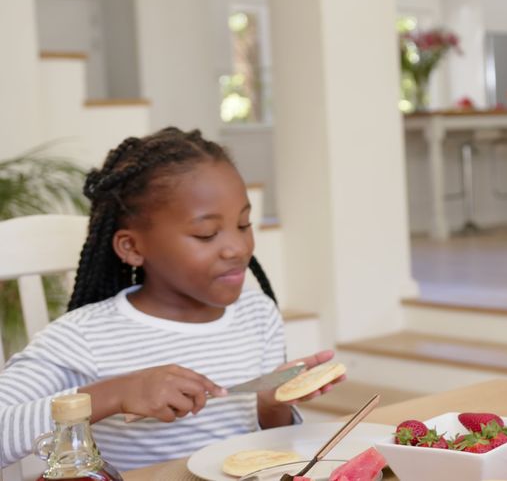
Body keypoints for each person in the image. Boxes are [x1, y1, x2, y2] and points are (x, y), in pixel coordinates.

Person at [0, 128, 342, 471]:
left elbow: (271, 454)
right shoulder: (84, 336)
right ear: (132, 247)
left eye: (243, 224)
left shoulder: (258, 314)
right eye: (206, 234)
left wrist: (271, 405)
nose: (238, 248)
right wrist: (113, 394)